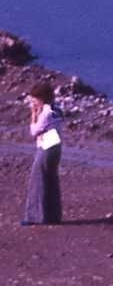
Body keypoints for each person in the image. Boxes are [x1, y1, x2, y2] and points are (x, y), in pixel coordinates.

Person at [22, 81, 62, 226]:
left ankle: (35, 216)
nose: (32, 101)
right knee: (51, 179)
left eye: (34, 98)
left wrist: (33, 114)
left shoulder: (45, 113)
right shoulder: (56, 108)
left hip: (46, 145)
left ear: (41, 98)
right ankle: (53, 215)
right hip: (56, 144)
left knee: (37, 179)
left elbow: (34, 131)